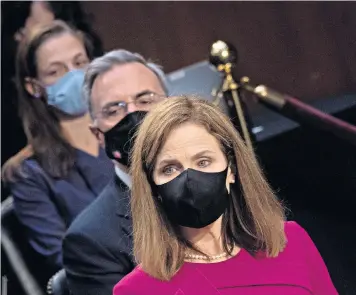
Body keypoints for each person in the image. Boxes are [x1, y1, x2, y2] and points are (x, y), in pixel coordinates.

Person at [113, 96, 338, 295]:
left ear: (231, 169)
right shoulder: (137, 289)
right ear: (153, 186)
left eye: (203, 161)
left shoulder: (291, 241)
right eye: (170, 168)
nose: (190, 178)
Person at [6, 20, 113, 280]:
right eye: (56, 71)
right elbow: (63, 256)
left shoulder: (128, 131)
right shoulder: (29, 173)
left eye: (80, 63)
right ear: (34, 87)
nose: (74, 75)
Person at [62, 49, 169, 295]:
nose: (133, 115)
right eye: (114, 110)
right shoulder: (90, 241)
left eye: (145, 100)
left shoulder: (223, 182)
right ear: (98, 135)